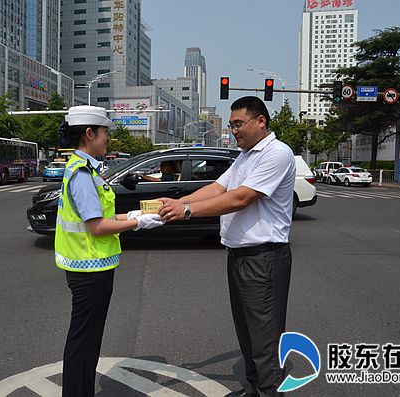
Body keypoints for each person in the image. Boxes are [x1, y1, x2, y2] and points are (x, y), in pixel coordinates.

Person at [157, 96, 295, 397]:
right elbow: (218, 187)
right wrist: (180, 202)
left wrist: (188, 212)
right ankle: (254, 388)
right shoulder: (244, 157)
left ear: (261, 121)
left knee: (265, 339)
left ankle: (270, 391)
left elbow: (241, 198)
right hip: (240, 257)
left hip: (264, 258)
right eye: (231, 125)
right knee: (247, 334)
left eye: (238, 124)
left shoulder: (277, 153)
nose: (234, 131)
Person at [55, 105, 164, 397]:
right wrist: (134, 225)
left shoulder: (88, 169)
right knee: (84, 342)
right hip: (88, 270)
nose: (108, 139)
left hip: (92, 268)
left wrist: (134, 217)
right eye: (105, 133)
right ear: (89, 134)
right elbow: (96, 227)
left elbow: (102, 216)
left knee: (88, 340)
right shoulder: (81, 174)